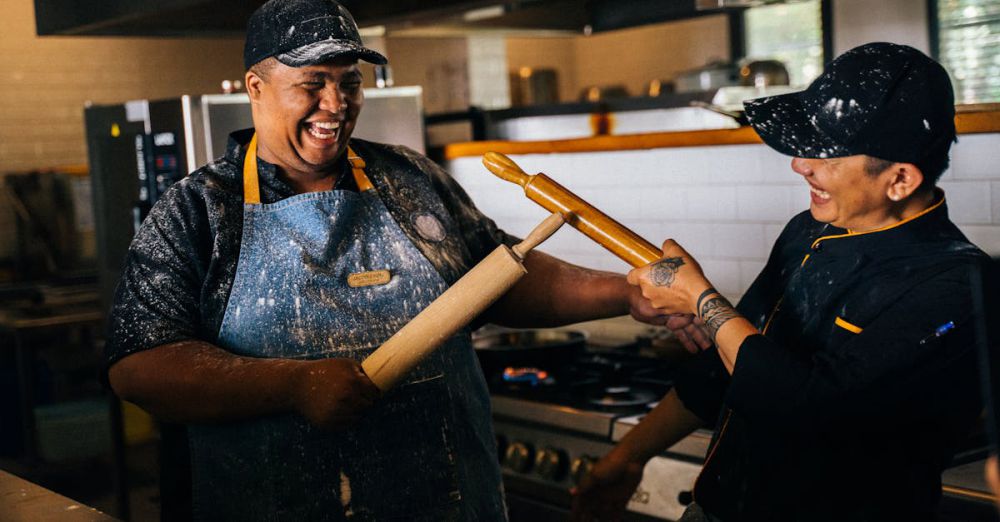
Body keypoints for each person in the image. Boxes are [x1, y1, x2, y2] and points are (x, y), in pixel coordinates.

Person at [103, 1, 658, 520]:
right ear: (256, 86)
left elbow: (496, 277)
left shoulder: (409, 179)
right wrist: (294, 385)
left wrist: (627, 292)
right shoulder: (198, 210)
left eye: (349, 83)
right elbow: (141, 365)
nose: (336, 104)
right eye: (312, 84)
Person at [571, 42, 989, 522]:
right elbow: (720, 372)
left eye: (828, 155)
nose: (800, 164)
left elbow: (805, 406)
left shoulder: (957, 287)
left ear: (899, 180)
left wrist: (699, 297)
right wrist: (629, 456)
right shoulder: (806, 231)